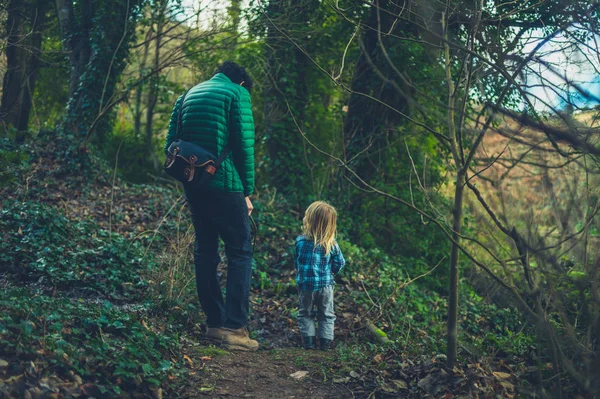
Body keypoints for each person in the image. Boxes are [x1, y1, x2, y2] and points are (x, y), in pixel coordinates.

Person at [165, 61, 257, 351]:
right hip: (227, 185)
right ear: (241, 81)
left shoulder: (187, 94)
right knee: (240, 251)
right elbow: (243, 144)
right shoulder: (236, 94)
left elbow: (171, 144)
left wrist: (190, 179)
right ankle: (235, 329)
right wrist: (247, 189)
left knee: (205, 250)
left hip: (195, 186)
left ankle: (214, 324)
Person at [295, 201, 346, 350]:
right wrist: (331, 273)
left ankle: (309, 342)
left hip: (305, 287)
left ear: (309, 221)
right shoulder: (332, 244)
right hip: (325, 286)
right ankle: (325, 343)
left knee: (305, 313)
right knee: (327, 314)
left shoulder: (300, 241)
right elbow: (340, 262)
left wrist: (302, 274)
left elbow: (297, 261)